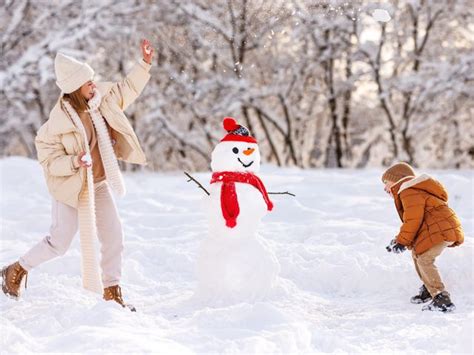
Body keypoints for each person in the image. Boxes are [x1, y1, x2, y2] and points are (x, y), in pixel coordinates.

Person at [1, 39, 155, 312]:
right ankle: (16, 269)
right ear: (75, 89)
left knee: (113, 235)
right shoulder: (56, 124)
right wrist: (73, 161)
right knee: (59, 243)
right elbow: (48, 160)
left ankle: (112, 292)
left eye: (93, 81)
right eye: (88, 83)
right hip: (71, 188)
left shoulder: (102, 103)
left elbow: (127, 88)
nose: (94, 86)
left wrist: (144, 64)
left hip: (98, 183)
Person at [382, 162, 464, 312]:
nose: (385, 188)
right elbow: (416, 222)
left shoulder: (408, 191)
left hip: (442, 230)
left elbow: (413, 220)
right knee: (417, 253)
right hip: (441, 228)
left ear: (397, 180)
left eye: (386, 182)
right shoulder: (411, 191)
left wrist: (402, 241)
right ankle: (429, 288)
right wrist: (398, 241)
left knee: (424, 259)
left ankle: (441, 298)